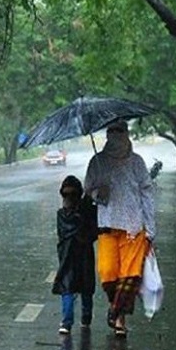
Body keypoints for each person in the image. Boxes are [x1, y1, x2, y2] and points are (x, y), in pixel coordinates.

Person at [83, 120, 156, 337]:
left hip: (134, 227)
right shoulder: (97, 162)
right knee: (108, 273)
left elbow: (147, 194)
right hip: (107, 225)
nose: (116, 135)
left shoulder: (137, 162)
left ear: (126, 133)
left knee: (129, 275)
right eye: (112, 131)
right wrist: (98, 193)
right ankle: (115, 307)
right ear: (107, 135)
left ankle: (118, 317)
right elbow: (88, 188)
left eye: (120, 131)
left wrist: (151, 228)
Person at [52, 175, 98, 335]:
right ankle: (67, 321)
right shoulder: (62, 214)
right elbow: (67, 231)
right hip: (68, 256)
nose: (69, 197)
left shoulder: (88, 211)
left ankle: (85, 317)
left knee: (85, 287)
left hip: (83, 255)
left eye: (72, 194)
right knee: (68, 287)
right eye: (66, 194)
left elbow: (92, 233)